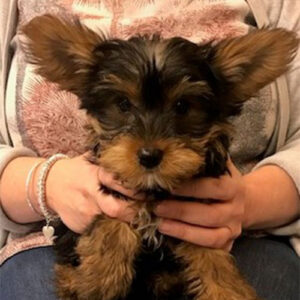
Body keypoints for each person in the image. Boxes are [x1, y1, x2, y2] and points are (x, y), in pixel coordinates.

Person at [0, 0, 299, 299]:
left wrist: (248, 203)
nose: (149, 144)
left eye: (182, 107)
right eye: (123, 105)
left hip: (239, 237)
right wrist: (45, 184)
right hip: (44, 238)